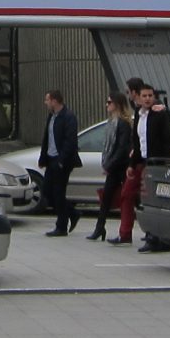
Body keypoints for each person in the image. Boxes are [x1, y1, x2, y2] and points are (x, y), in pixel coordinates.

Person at [109, 78, 170, 250]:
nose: (147, 99)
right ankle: (125, 234)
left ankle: (155, 237)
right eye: (144, 96)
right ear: (139, 97)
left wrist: (163, 163)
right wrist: (131, 165)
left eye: (150, 96)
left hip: (155, 164)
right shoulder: (139, 114)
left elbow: (169, 138)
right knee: (127, 193)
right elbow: (137, 142)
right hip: (141, 162)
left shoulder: (158, 112)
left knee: (151, 199)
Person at [84, 92, 134, 240]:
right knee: (106, 197)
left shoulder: (123, 123)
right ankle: (100, 228)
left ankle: (125, 231)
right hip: (114, 165)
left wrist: (109, 165)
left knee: (127, 198)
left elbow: (122, 148)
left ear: (117, 104)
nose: (107, 105)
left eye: (109, 102)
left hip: (121, 166)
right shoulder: (111, 122)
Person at [37, 90, 81, 237]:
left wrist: (61, 160)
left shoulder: (68, 117)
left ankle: (61, 226)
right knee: (47, 191)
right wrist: (43, 159)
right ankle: (72, 213)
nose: (46, 103)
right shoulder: (52, 116)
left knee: (58, 192)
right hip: (51, 159)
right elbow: (47, 139)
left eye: (47, 100)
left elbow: (70, 141)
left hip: (62, 161)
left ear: (54, 101)